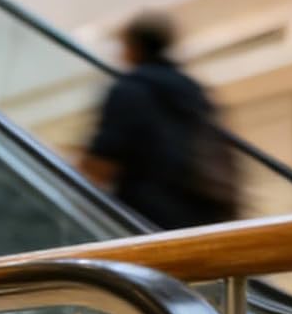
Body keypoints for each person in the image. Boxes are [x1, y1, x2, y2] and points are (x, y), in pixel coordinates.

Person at [83, 12, 241, 230]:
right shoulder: (194, 92)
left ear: (132, 47)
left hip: (149, 216)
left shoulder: (129, 89)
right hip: (205, 216)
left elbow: (102, 161)